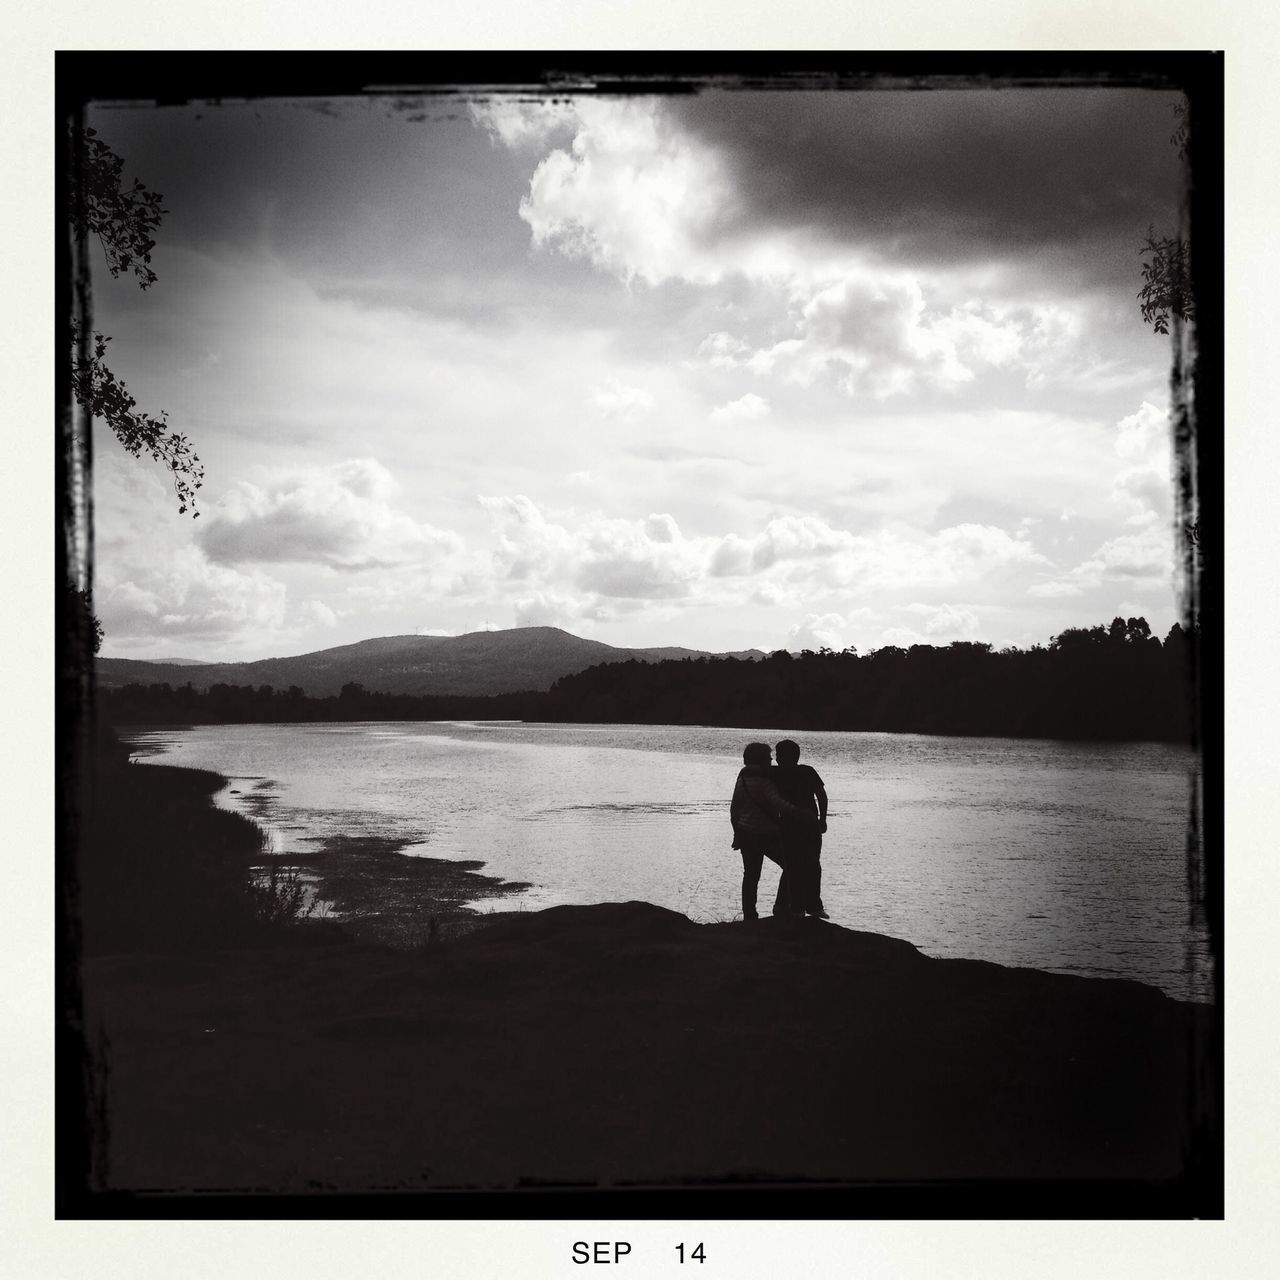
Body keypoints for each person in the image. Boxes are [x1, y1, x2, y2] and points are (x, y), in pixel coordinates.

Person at [729, 742, 814, 920]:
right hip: (766, 834)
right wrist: (799, 812)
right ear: (761, 759)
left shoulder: (742, 777)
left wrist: (737, 833)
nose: (771, 760)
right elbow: (777, 802)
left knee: (751, 875)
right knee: (792, 865)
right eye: (768, 757)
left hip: (746, 833)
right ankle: (782, 906)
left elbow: (734, 808)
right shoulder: (765, 780)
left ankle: (750, 915)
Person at [772, 739, 829, 918]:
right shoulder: (807, 771)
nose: (775, 758)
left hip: (790, 826)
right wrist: (823, 819)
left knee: (795, 865)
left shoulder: (776, 773)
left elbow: (821, 795)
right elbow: (821, 796)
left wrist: (822, 819)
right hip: (809, 823)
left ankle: (797, 907)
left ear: (782, 757)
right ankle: (810, 906)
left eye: (777, 754)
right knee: (811, 864)